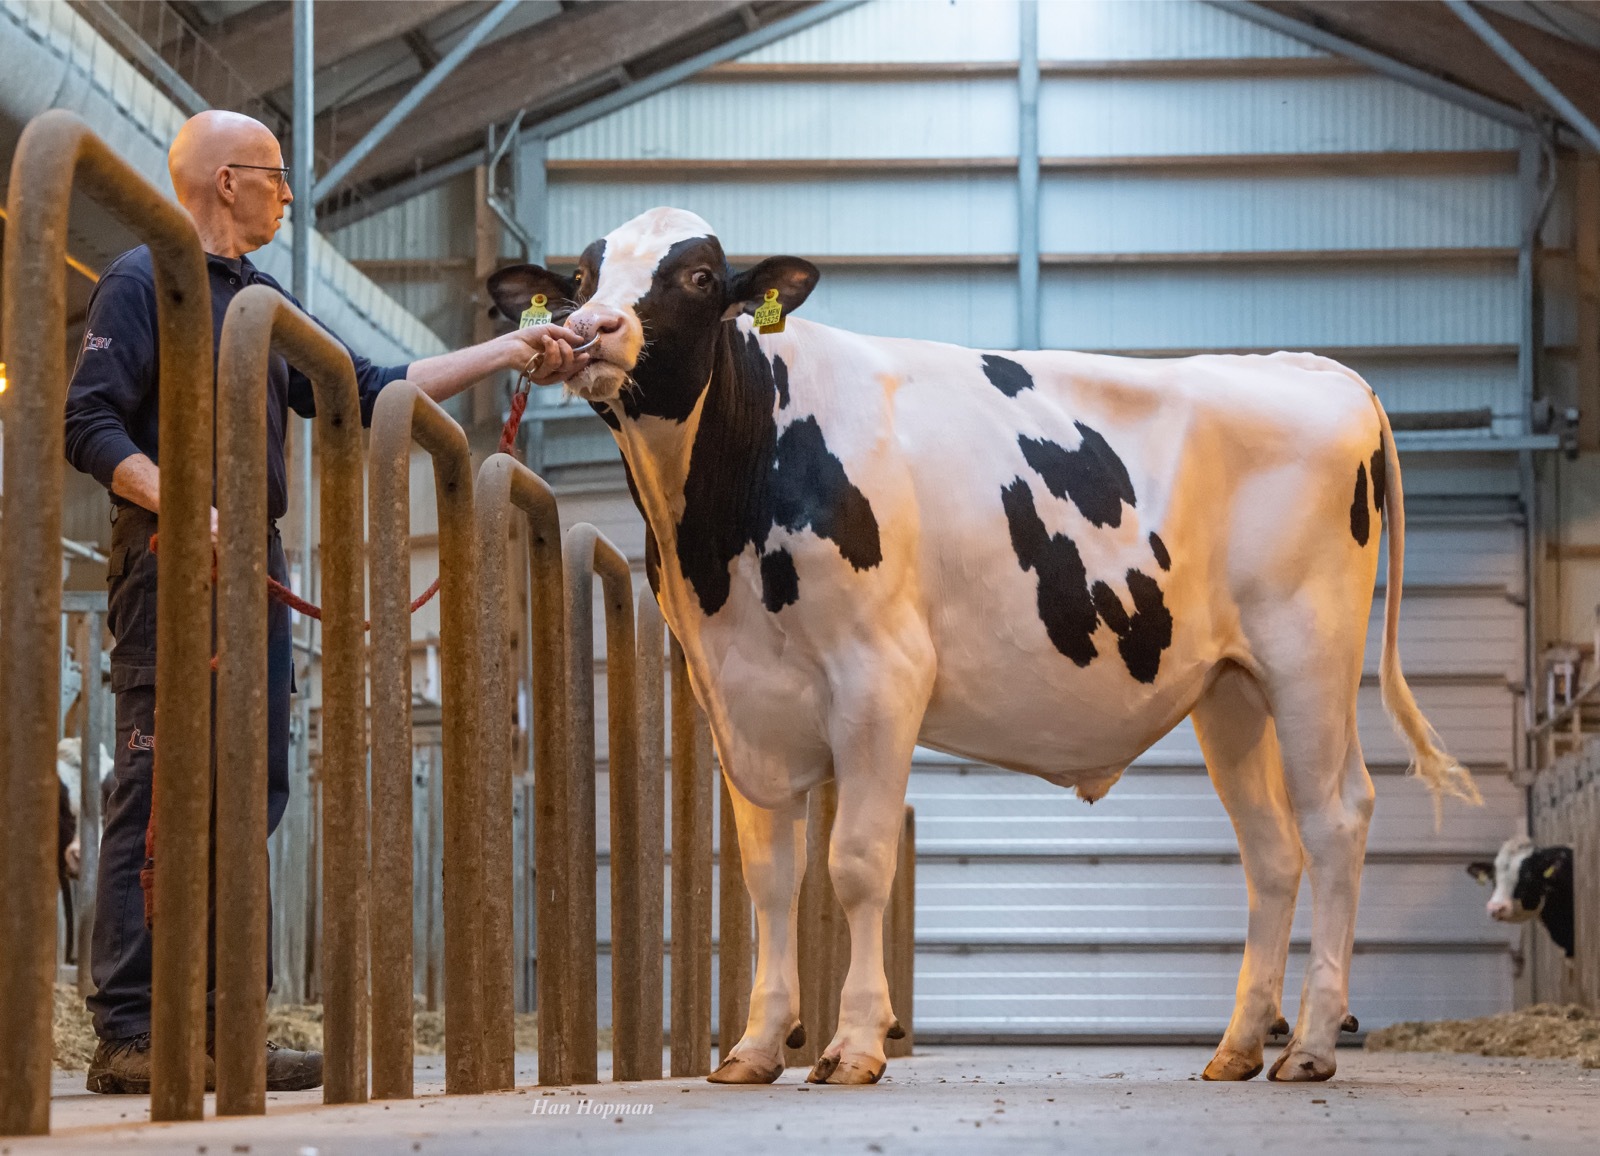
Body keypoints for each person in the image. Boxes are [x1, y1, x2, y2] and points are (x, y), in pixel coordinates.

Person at [62, 110, 588, 1095]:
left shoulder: (261, 301)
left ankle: (227, 1023)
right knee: (161, 787)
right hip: (171, 559)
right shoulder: (144, 281)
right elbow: (84, 420)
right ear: (226, 181)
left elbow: (369, 386)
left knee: (251, 790)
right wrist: (180, 495)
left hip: (249, 564)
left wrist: (508, 353)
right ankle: (130, 1029)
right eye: (275, 176)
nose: (289, 195)